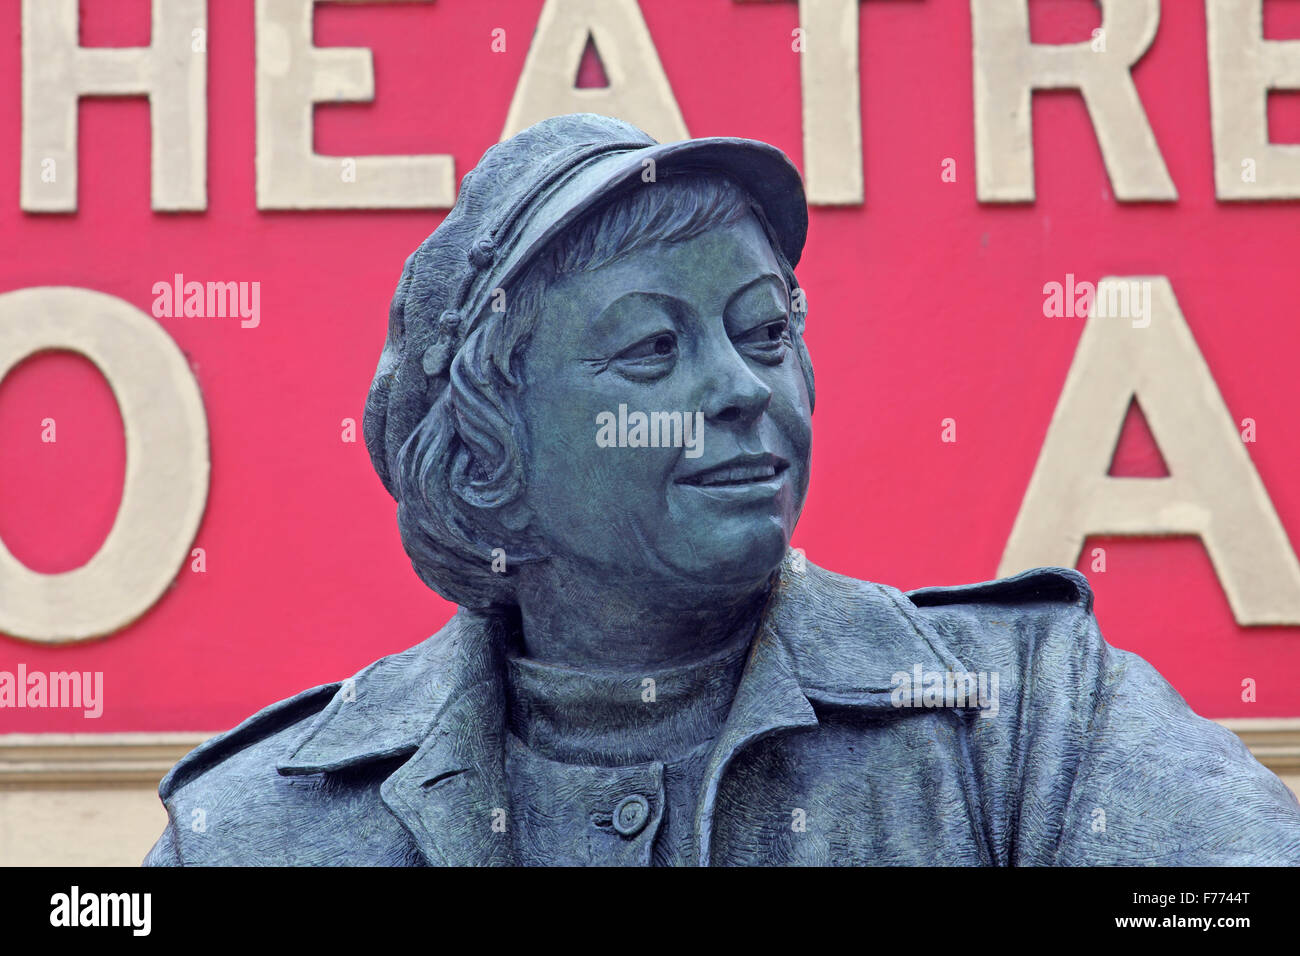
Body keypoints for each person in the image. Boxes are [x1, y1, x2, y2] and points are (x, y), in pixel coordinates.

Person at [144, 113, 1300, 866]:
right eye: (650, 349)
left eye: (765, 330)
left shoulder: (1027, 711)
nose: (741, 386)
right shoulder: (260, 827)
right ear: (493, 445)